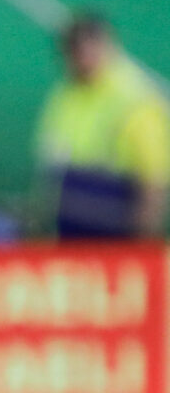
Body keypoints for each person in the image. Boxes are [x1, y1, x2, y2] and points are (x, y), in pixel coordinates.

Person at [37, 13, 170, 238]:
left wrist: (141, 238)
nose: (82, 56)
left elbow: (154, 179)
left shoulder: (136, 97)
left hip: (115, 226)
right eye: (74, 48)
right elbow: (52, 163)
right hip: (70, 223)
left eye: (90, 45)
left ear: (107, 45)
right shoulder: (65, 94)